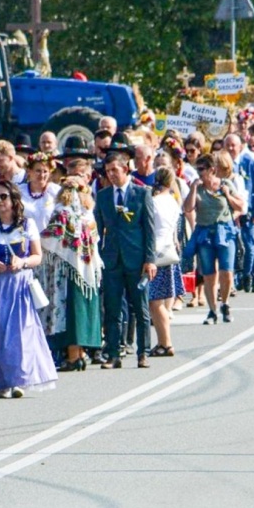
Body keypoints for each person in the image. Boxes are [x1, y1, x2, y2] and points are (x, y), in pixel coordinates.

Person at [0, 181, 58, 396]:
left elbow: (37, 256)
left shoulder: (27, 225)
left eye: (4, 197)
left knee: (20, 332)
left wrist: (23, 262)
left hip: (18, 284)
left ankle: (18, 379)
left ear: (13, 199)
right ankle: (1, 382)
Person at [93, 152, 156, 368]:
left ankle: (143, 352)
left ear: (125, 169)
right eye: (108, 171)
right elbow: (98, 230)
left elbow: (149, 228)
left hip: (136, 259)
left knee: (140, 307)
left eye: (115, 170)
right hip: (112, 259)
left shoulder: (141, 193)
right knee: (112, 308)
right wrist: (96, 256)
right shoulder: (102, 196)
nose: (111, 175)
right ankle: (113, 353)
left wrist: (150, 259)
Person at [38, 179, 103, 371]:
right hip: (87, 270)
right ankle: (80, 353)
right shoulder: (88, 216)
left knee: (71, 310)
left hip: (66, 271)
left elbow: (52, 238)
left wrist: (35, 238)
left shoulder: (62, 213)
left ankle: (74, 356)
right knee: (81, 309)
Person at [183, 153, 244, 323]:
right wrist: (194, 188)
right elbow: (187, 208)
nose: (199, 173)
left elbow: (241, 205)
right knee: (209, 274)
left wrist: (228, 195)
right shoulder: (198, 188)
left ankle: (225, 303)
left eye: (202, 169)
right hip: (205, 232)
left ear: (212, 170)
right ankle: (212, 310)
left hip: (224, 231)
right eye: (197, 169)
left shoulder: (225, 184)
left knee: (227, 271)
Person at [147, 167, 184, 355]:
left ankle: (165, 342)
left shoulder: (153, 202)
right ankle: (163, 341)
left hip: (155, 254)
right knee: (159, 301)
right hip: (168, 253)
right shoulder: (173, 202)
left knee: (155, 302)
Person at [227, 133, 254, 293]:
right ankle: (237, 277)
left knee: (249, 245)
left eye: (233, 145)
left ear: (240, 146)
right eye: (227, 145)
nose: (230, 148)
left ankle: (248, 275)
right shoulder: (223, 163)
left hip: (247, 211)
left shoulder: (249, 162)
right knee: (235, 245)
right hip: (230, 211)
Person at [20, 152, 60, 232]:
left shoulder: (56, 191)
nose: (42, 175)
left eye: (45, 171)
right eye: (38, 171)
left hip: (49, 241)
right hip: (26, 240)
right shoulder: (19, 191)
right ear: (29, 171)